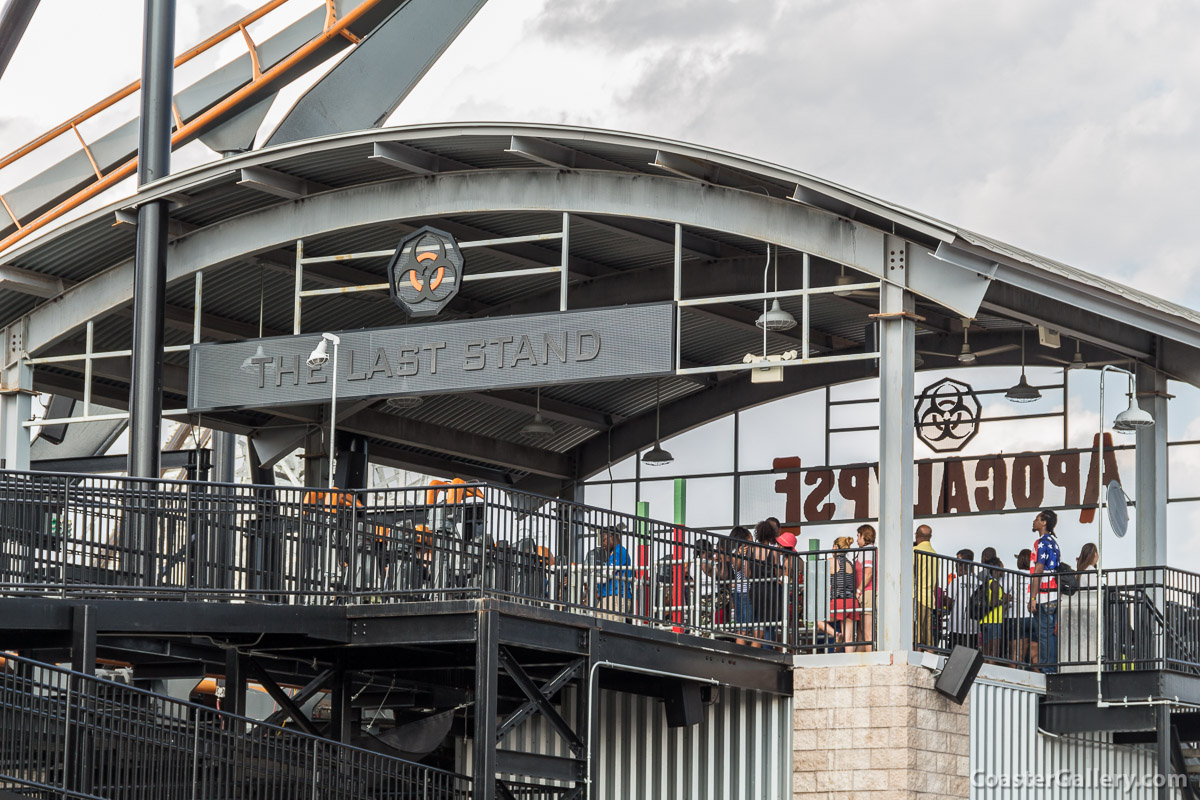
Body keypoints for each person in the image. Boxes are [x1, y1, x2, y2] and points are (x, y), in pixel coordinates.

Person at [1029, 509, 1061, 673]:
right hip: (1055, 594)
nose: (1034, 521)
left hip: (1044, 595)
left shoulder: (1040, 542)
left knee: (1044, 634)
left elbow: (1038, 570)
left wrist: (1033, 597)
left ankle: (1047, 669)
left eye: (1037, 519)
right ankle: (1052, 666)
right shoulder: (1054, 543)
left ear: (1044, 522)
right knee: (1051, 633)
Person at [747, 521, 781, 645]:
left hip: (755, 589)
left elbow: (747, 574)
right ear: (771, 534)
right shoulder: (774, 552)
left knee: (757, 623)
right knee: (770, 624)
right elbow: (778, 574)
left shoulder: (750, 550)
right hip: (770, 590)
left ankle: (757, 651)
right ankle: (768, 650)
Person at [945, 548, 981, 650]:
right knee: (969, 656)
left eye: (957, 561)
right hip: (973, 627)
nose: (956, 565)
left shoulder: (956, 581)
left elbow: (949, 603)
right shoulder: (979, 583)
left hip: (957, 626)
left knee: (953, 655)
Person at [596, 527, 633, 621]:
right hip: (610, 598)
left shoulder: (619, 552)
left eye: (604, 540)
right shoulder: (615, 553)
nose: (603, 544)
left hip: (616, 598)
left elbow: (606, 576)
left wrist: (589, 578)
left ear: (611, 537)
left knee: (607, 630)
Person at [978, 556, 1008, 661]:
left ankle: (984, 669)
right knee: (994, 651)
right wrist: (1005, 600)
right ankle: (991, 672)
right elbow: (994, 602)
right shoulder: (994, 583)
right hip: (994, 621)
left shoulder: (988, 582)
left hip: (986, 620)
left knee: (986, 650)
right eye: (1001, 566)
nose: (1003, 569)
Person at [727, 526, 754, 645]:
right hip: (742, 593)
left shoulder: (753, 553)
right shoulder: (735, 554)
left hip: (747, 592)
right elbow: (737, 569)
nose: (752, 542)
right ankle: (741, 652)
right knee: (743, 629)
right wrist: (742, 555)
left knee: (747, 629)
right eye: (750, 539)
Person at [913, 525, 937, 648]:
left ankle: (914, 655)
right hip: (929, 598)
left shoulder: (915, 551)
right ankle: (929, 657)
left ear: (917, 535)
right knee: (928, 633)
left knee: (914, 632)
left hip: (916, 596)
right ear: (930, 537)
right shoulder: (935, 555)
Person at [854, 524, 876, 652]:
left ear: (863, 536)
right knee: (862, 631)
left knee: (867, 632)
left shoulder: (866, 551)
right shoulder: (874, 550)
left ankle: (872, 661)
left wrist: (858, 591)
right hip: (869, 592)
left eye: (858, 536)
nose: (857, 540)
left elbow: (868, 573)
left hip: (866, 592)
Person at [1013, 548, 1036, 665]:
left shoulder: (1012, 576)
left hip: (1016, 616)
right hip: (1033, 615)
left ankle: (1016, 672)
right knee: (1034, 652)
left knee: (1017, 652)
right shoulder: (1035, 577)